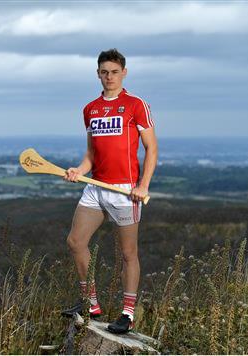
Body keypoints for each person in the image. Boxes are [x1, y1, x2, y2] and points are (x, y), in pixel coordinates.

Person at [60, 48, 158, 334]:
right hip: (96, 188)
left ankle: (127, 314)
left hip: (126, 190)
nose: (109, 76)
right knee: (75, 241)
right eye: (104, 72)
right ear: (98, 74)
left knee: (128, 253)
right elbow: (91, 154)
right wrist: (79, 170)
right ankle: (91, 303)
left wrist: (143, 185)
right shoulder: (90, 109)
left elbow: (151, 148)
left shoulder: (136, 104)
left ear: (123, 73)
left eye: (114, 71)